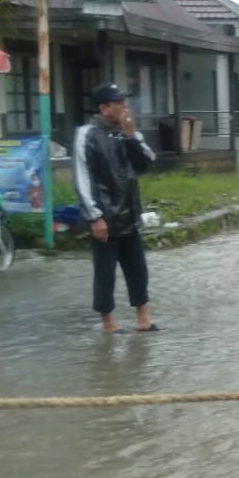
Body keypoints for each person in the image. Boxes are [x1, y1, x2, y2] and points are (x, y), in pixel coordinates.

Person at [74, 83, 157, 332]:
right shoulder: (86, 134)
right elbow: (82, 177)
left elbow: (147, 163)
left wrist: (131, 136)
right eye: (119, 102)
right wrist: (94, 216)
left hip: (129, 215)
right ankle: (107, 322)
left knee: (138, 269)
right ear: (104, 108)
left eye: (125, 101)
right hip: (105, 218)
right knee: (105, 272)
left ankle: (143, 318)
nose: (125, 106)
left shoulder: (127, 131)